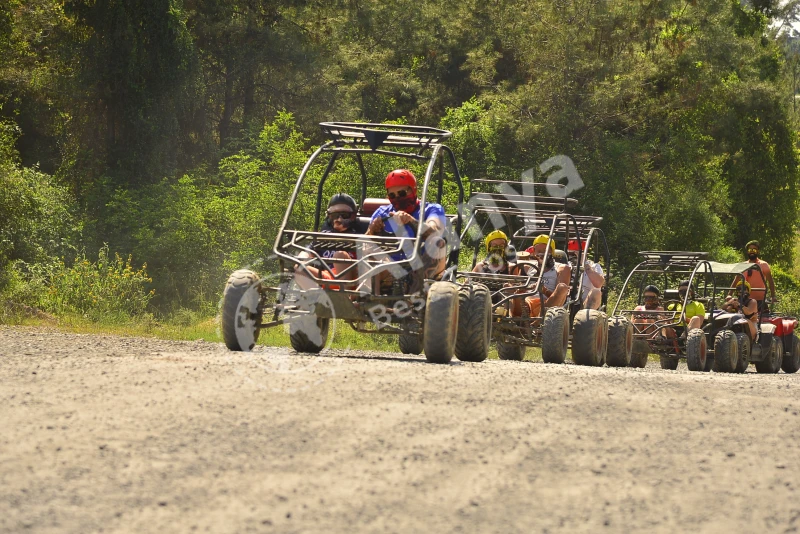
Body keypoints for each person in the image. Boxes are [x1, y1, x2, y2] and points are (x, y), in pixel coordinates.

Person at [365, 169, 447, 291]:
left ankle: (413, 291)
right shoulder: (382, 212)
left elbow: (435, 230)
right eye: (392, 195)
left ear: (413, 190)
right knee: (367, 245)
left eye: (402, 193)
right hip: (390, 267)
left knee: (436, 242)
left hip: (421, 268)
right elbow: (364, 243)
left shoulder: (431, 209)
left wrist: (411, 221)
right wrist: (372, 231)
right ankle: (370, 299)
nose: (398, 198)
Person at [294, 193, 359, 290]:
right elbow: (310, 250)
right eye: (335, 215)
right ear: (329, 217)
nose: (339, 219)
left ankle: (344, 299)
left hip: (351, 280)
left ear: (353, 216)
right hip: (328, 277)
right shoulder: (325, 235)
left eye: (345, 215)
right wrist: (302, 257)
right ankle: (318, 300)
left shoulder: (359, 233)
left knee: (340, 255)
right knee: (299, 268)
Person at [521, 234, 571, 318]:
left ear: (552, 251)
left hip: (546, 304)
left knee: (562, 287)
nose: (541, 253)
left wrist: (544, 290)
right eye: (538, 250)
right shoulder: (528, 267)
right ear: (534, 252)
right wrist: (521, 289)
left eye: (545, 250)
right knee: (508, 286)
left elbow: (562, 297)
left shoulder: (561, 268)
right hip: (526, 302)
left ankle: (539, 322)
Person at [734, 240, 777, 312]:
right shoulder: (742, 265)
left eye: (754, 249)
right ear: (747, 251)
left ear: (758, 251)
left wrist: (773, 296)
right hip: (744, 300)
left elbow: (770, 281)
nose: (752, 251)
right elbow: (735, 281)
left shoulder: (763, 264)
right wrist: (729, 294)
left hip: (759, 301)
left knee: (762, 320)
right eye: (750, 249)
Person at [567, 239, 605, 310]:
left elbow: (599, 284)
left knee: (596, 292)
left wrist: (584, 263)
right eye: (571, 254)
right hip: (567, 303)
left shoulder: (594, 266)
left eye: (576, 254)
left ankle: (586, 318)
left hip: (585, 305)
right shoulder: (565, 266)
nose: (573, 257)